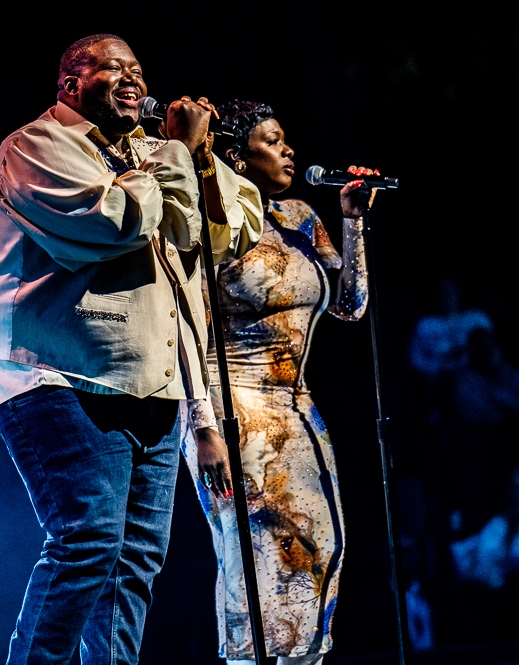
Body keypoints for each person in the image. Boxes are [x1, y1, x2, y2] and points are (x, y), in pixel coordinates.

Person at [0, 35, 263, 665]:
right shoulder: (35, 146)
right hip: (55, 371)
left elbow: (196, 247)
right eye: (113, 69)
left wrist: (201, 413)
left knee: (135, 561)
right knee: (88, 542)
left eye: (138, 70)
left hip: (148, 381)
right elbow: (113, 224)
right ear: (71, 84)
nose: (132, 80)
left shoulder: (148, 154)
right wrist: (178, 151)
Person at [182, 99, 374, 665]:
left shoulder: (298, 218)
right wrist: (202, 426)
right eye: (272, 141)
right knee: (262, 548)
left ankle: (305, 660)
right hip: (232, 400)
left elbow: (350, 305)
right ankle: (251, 659)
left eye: (286, 139)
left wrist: (353, 219)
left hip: (296, 404)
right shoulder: (211, 223)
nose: (288, 149)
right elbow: (185, 329)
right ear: (237, 157)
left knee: (324, 541)